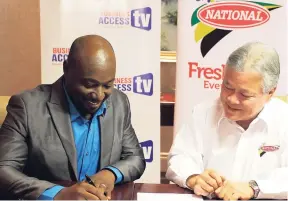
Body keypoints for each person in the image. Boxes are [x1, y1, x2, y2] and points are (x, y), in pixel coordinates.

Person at [0, 35, 146, 200]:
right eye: (89, 85)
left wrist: (110, 174)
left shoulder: (119, 103)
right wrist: (58, 194)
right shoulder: (28, 107)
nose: (98, 96)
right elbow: (4, 170)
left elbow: (135, 158)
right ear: (66, 69)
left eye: (107, 85)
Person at [166, 42, 288, 200]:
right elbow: (180, 157)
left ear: (270, 93)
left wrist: (254, 187)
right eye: (227, 87)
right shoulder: (203, 112)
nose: (231, 99)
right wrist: (194, 178)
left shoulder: (284, 119)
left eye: (244, 94)